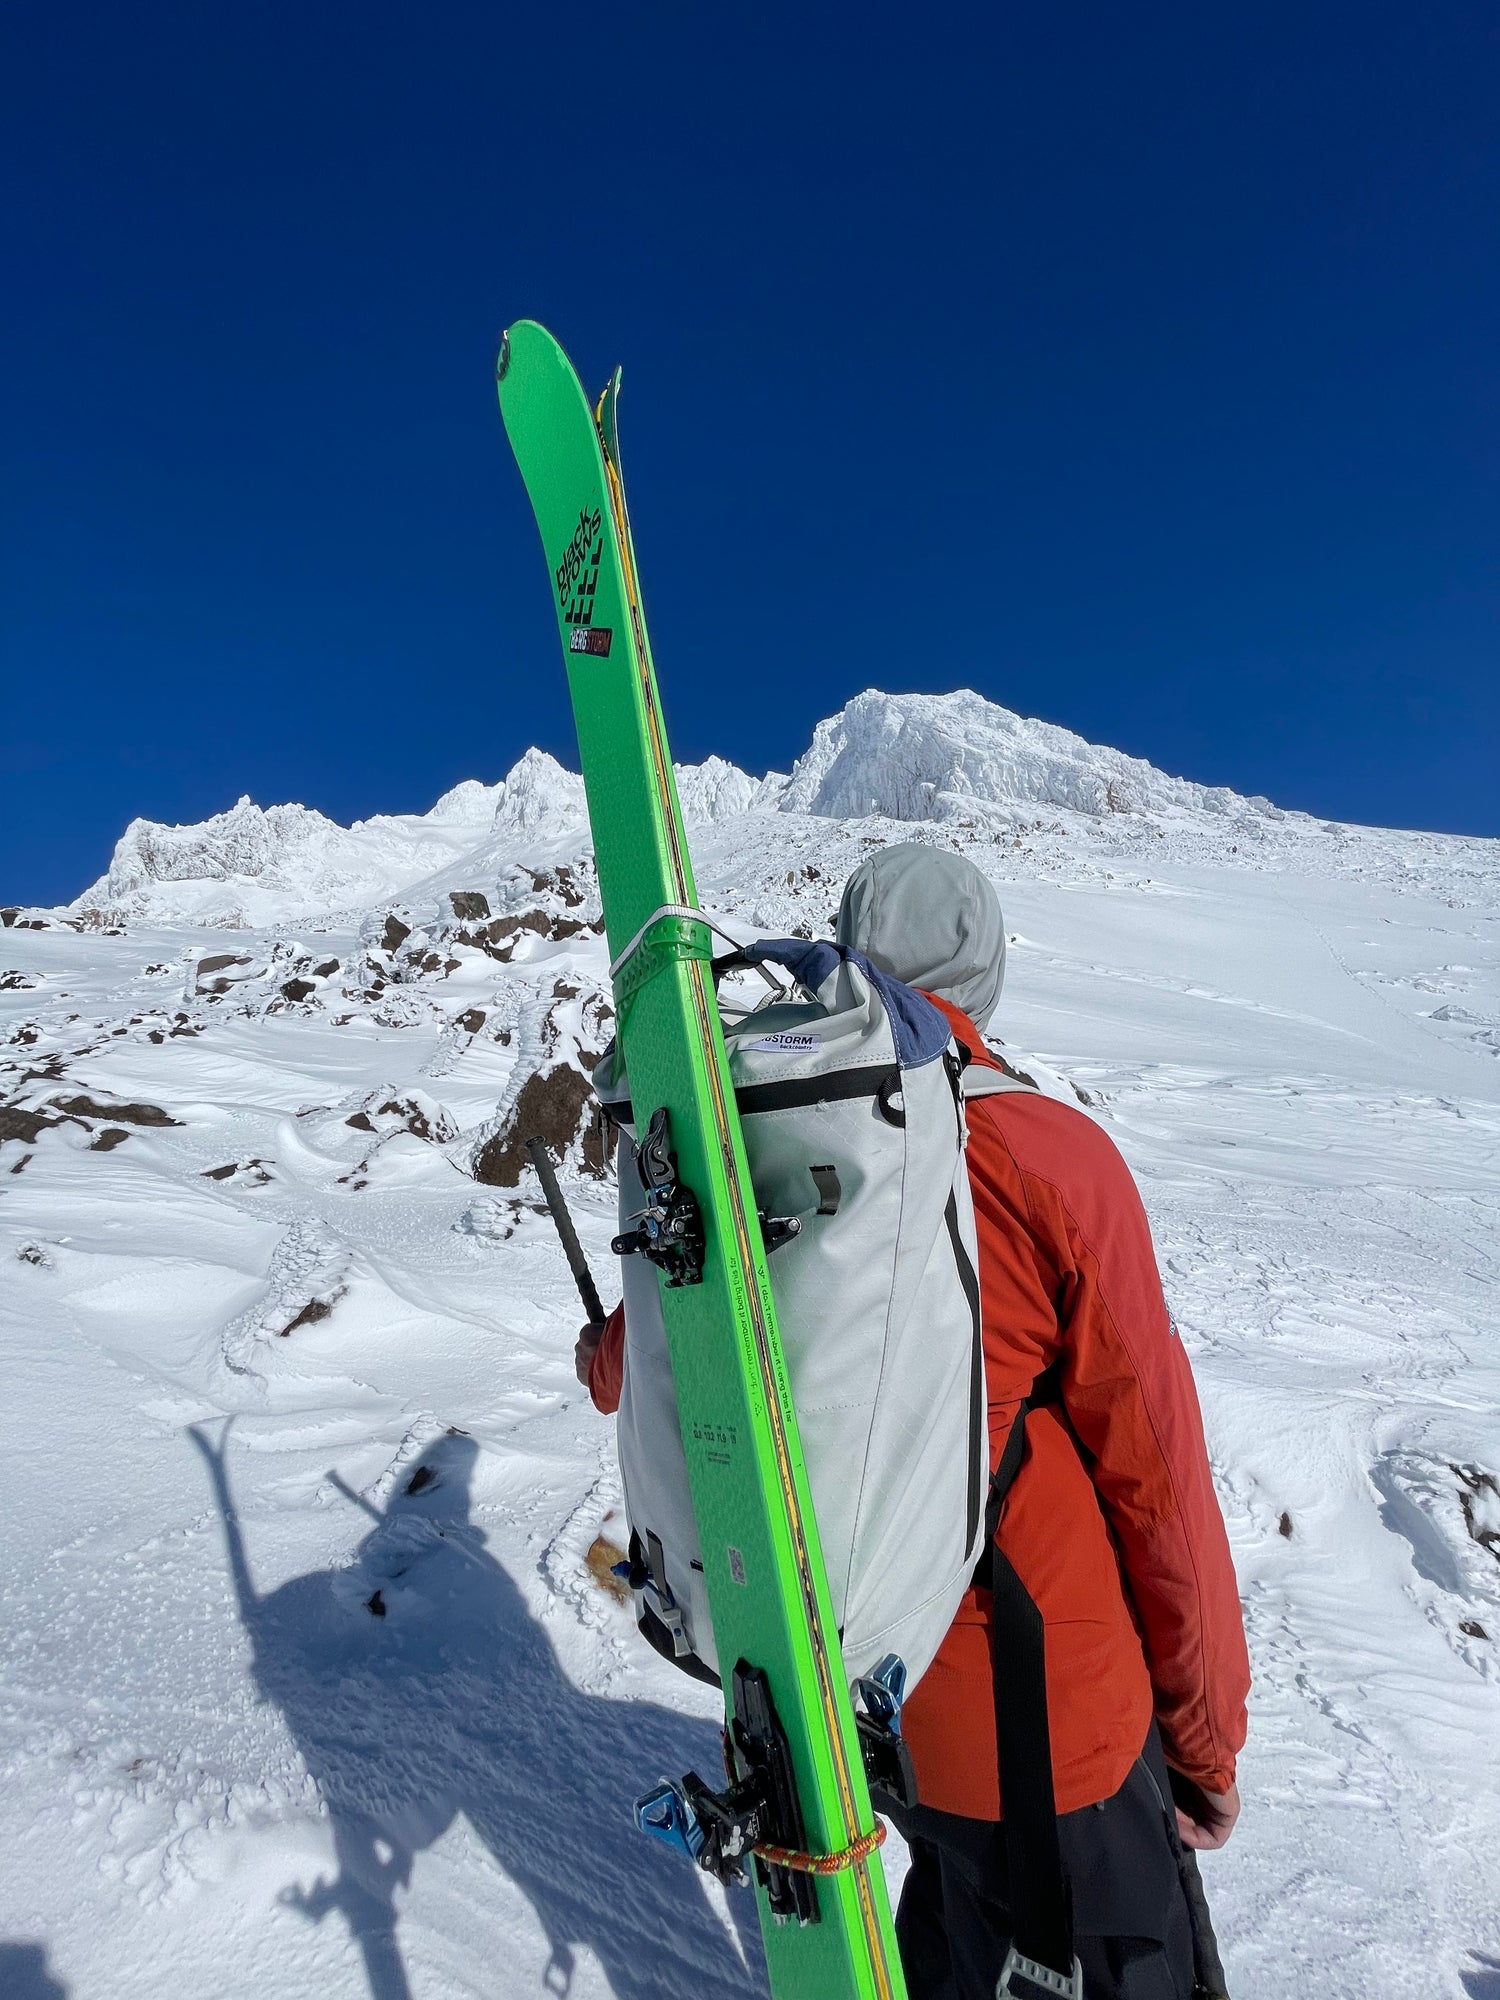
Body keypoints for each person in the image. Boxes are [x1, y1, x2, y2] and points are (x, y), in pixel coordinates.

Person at [578, 843, 1250, 2000]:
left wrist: (605, 1346)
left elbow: (652, 1363)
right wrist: (1204, 1738)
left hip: (860, 1705)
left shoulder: (771, 1133)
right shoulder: (1050, 1155)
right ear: (981, 982)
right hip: (1059, 1741)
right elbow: (1158, 1477)